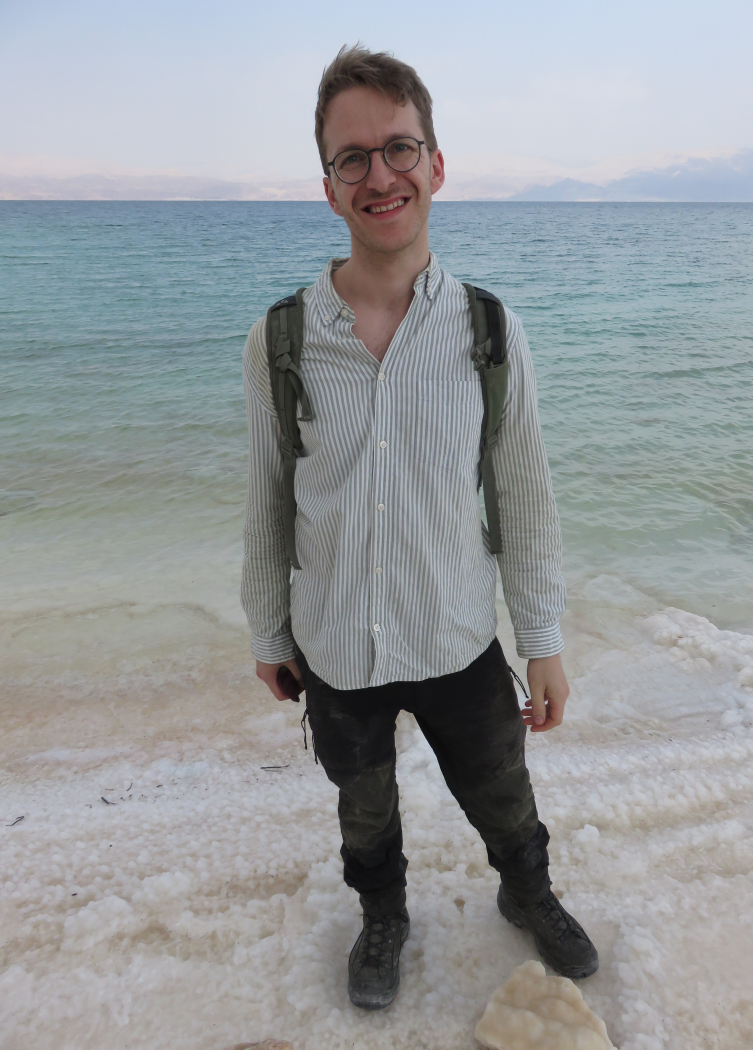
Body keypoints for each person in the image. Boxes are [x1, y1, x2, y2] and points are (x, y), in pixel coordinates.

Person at [241, 45, 598, 1010]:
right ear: (328, 187)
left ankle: (528, 892)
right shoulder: (281, 339)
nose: (379, 175)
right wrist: (270, 633)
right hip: (336, 645)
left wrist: (544, 641)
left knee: (503, 793)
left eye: (398, 148)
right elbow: (269, 498)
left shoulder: (489, 330)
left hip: (456, 633)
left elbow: (523, 495)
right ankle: (383, 916)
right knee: (364, 811)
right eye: (351, 158)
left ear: (435, 165)